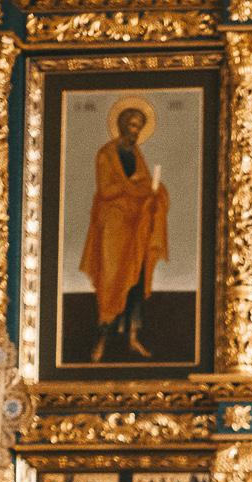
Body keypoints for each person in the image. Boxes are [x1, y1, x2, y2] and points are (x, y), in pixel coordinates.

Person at [79, 98, 171, 361]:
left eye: (139, 126)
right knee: (112, 280)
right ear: (121, 125)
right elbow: (107, 190)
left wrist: (152, 193)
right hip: (112, 226)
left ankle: (132, 337)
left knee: (135, 281)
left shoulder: (136, 154)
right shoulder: (106, 154)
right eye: (131, 125)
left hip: (135, 228)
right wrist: (135, 187)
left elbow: (142, 187)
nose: (135, 130)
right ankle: (102, 339)